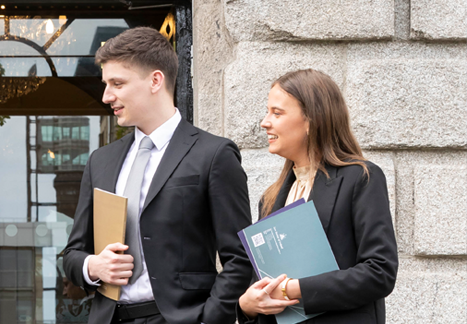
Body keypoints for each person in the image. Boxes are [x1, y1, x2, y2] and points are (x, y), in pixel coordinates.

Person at [62, 27, 253, 324]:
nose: (106, 96)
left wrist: (209, 319)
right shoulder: (101, 161)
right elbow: (73, 253)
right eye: (106, 84)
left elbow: (240, 258)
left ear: (155, 80)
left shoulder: (214, 155)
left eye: (117, 83)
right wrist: (93, 266)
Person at [237, 69, 398, 323]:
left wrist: (291, 289)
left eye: (277, 113)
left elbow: (380, 272)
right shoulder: (271, 197)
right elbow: (261, 284)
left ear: (312, 120)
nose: (265, 122)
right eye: (268, 112)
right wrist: (246, 305)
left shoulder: (361, 178)